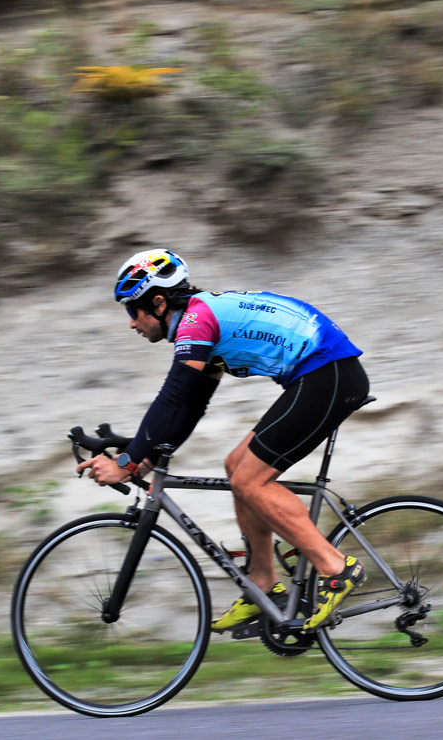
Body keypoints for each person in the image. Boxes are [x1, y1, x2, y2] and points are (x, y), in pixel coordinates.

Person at [76, 248, 370, 634]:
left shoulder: (197, 322)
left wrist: (127, 462)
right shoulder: (198, 325)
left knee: (251, 479)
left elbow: (172, 397)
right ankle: (262, 587)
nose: (132, 324)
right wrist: (143, 461)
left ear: (159, 303)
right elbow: (189, 408)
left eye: (133, 311)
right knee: (236, 467)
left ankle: (336, 569)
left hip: (327, 374)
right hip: (321, 375)